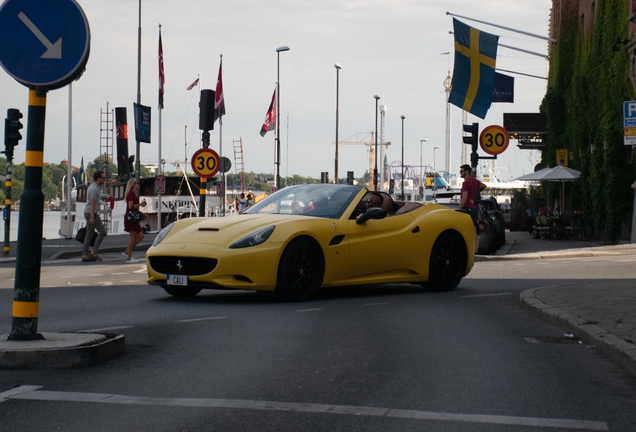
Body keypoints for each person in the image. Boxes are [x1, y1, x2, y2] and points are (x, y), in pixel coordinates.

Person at [82, 171, 107, 262]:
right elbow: (92, 203)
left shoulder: (92, 187)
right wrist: (92, 216)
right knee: (102, 232)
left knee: (89, 233)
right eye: (103, 178)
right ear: (98, 178)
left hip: (89, 212)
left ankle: (85, 254)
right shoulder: (94, 189)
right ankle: (93, 252)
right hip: (91, 213)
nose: (104, 180)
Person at [458, 165, 480, 253]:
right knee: (474, 230)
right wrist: (475, 197)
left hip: (468, 208)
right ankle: (475, 250)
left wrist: (460, 208)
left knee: (467, 230)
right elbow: (484, 186)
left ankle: (471, 250)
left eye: (462, 171)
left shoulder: (466, 183)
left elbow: (465, 196)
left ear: (467, 171)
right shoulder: (475, 181)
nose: (460, 173)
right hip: (474, 208)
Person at [123, 178, 146, 263]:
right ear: (133, 184)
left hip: (133, 218)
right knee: (133, 237)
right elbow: (130, 207)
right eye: (137, 183)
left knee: (141, 236)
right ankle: (129, 257)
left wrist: (141, 213)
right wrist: (140, 204)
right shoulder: (131, 194)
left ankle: (127, 251)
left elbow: (132, 208)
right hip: (131, 219)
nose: (138, 184)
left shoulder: (133, 194)